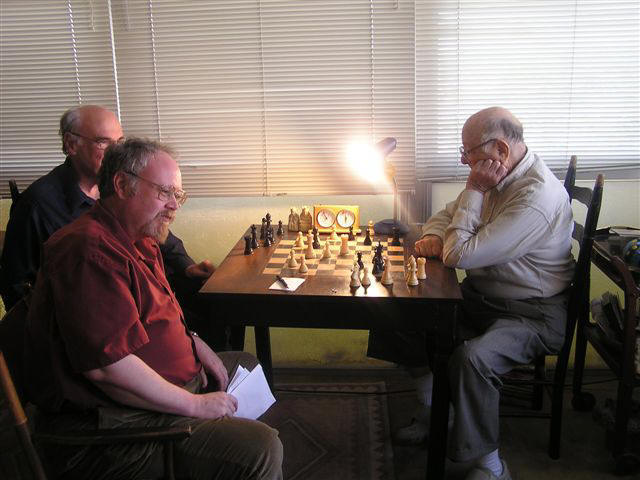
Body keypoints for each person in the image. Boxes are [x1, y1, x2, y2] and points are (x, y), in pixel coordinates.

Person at [23, 138, 283, 479]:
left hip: (158, 393)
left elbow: (155, 314)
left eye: (179, 195)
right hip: (116, 428)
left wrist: (194, 343)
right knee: (261, 449)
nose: (175, 206)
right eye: (164, 192)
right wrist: (194, 404)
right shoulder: (88, 252)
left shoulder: (140, 238)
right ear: (121, 185)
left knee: (245, 365)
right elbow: (107, 369)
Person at [368, 107, 574, 480]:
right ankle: (435, 409)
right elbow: (448, 215)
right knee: (395, 312)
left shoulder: (535, 197)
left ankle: (490, 466)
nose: (465, 162)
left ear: (498, 148)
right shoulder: (502, 174)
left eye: (468, 154)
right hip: (479, 297)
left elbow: (460, 255)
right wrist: (432, 234)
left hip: (532, 313)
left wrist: (473, 191)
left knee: (472, 359)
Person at [0, 105, 223, 348]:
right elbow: (16, 287)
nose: (116, 151)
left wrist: (186, 266)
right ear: (71, 144)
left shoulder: (121, 186)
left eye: (120, 141)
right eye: (104, 142)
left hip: (144, 298)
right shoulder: (37, 205)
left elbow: (159, 234)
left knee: (216, 306)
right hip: (95, 322)